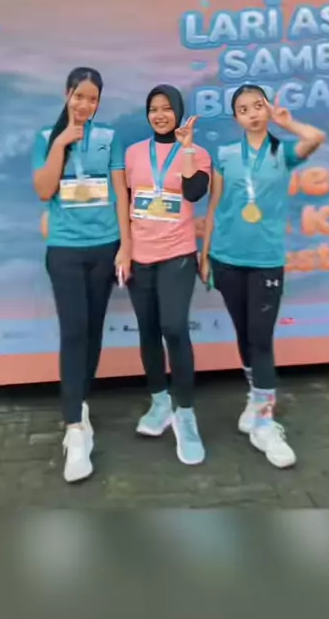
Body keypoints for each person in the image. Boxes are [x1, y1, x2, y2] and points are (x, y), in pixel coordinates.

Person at [200, 84, 326, 469]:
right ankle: (255, 402)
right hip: (226, 258)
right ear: (236, 117)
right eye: (244, 109)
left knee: (261, 337)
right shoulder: (224, 155)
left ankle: (265, 422)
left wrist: (288, 123)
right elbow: (214, 206)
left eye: (258, 106)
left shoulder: (282, 152)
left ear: (267, 110)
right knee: (244, 334)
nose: (253, 113)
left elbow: (316, 138)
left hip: (265, 261)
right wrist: (204, 254)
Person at [32, 67, 131, 483]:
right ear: (67, 94)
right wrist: (61, 144)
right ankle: (74, 429)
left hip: (105, 247)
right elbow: (43, 189)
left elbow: (121, 193)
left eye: (92, 99)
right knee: (73, 331)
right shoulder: (46, 137)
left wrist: (126, 246)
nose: (85, 105)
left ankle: (81, 403)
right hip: (65, 250)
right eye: (79, 96)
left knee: (91, 331)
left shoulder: (109, 137)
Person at [126, 85, 211, 465]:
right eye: (153, 109)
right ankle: (160, 403)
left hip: (177, 254)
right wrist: (124, 250)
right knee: (147, 331)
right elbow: (125, 202)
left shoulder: (198, 153)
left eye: (166, 108)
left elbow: (193, 193)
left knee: (174, 328)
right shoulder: (133, 153)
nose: (160, 115)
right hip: (140, 256)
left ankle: (186, 414)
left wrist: (187, 147)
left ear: (178, 111)